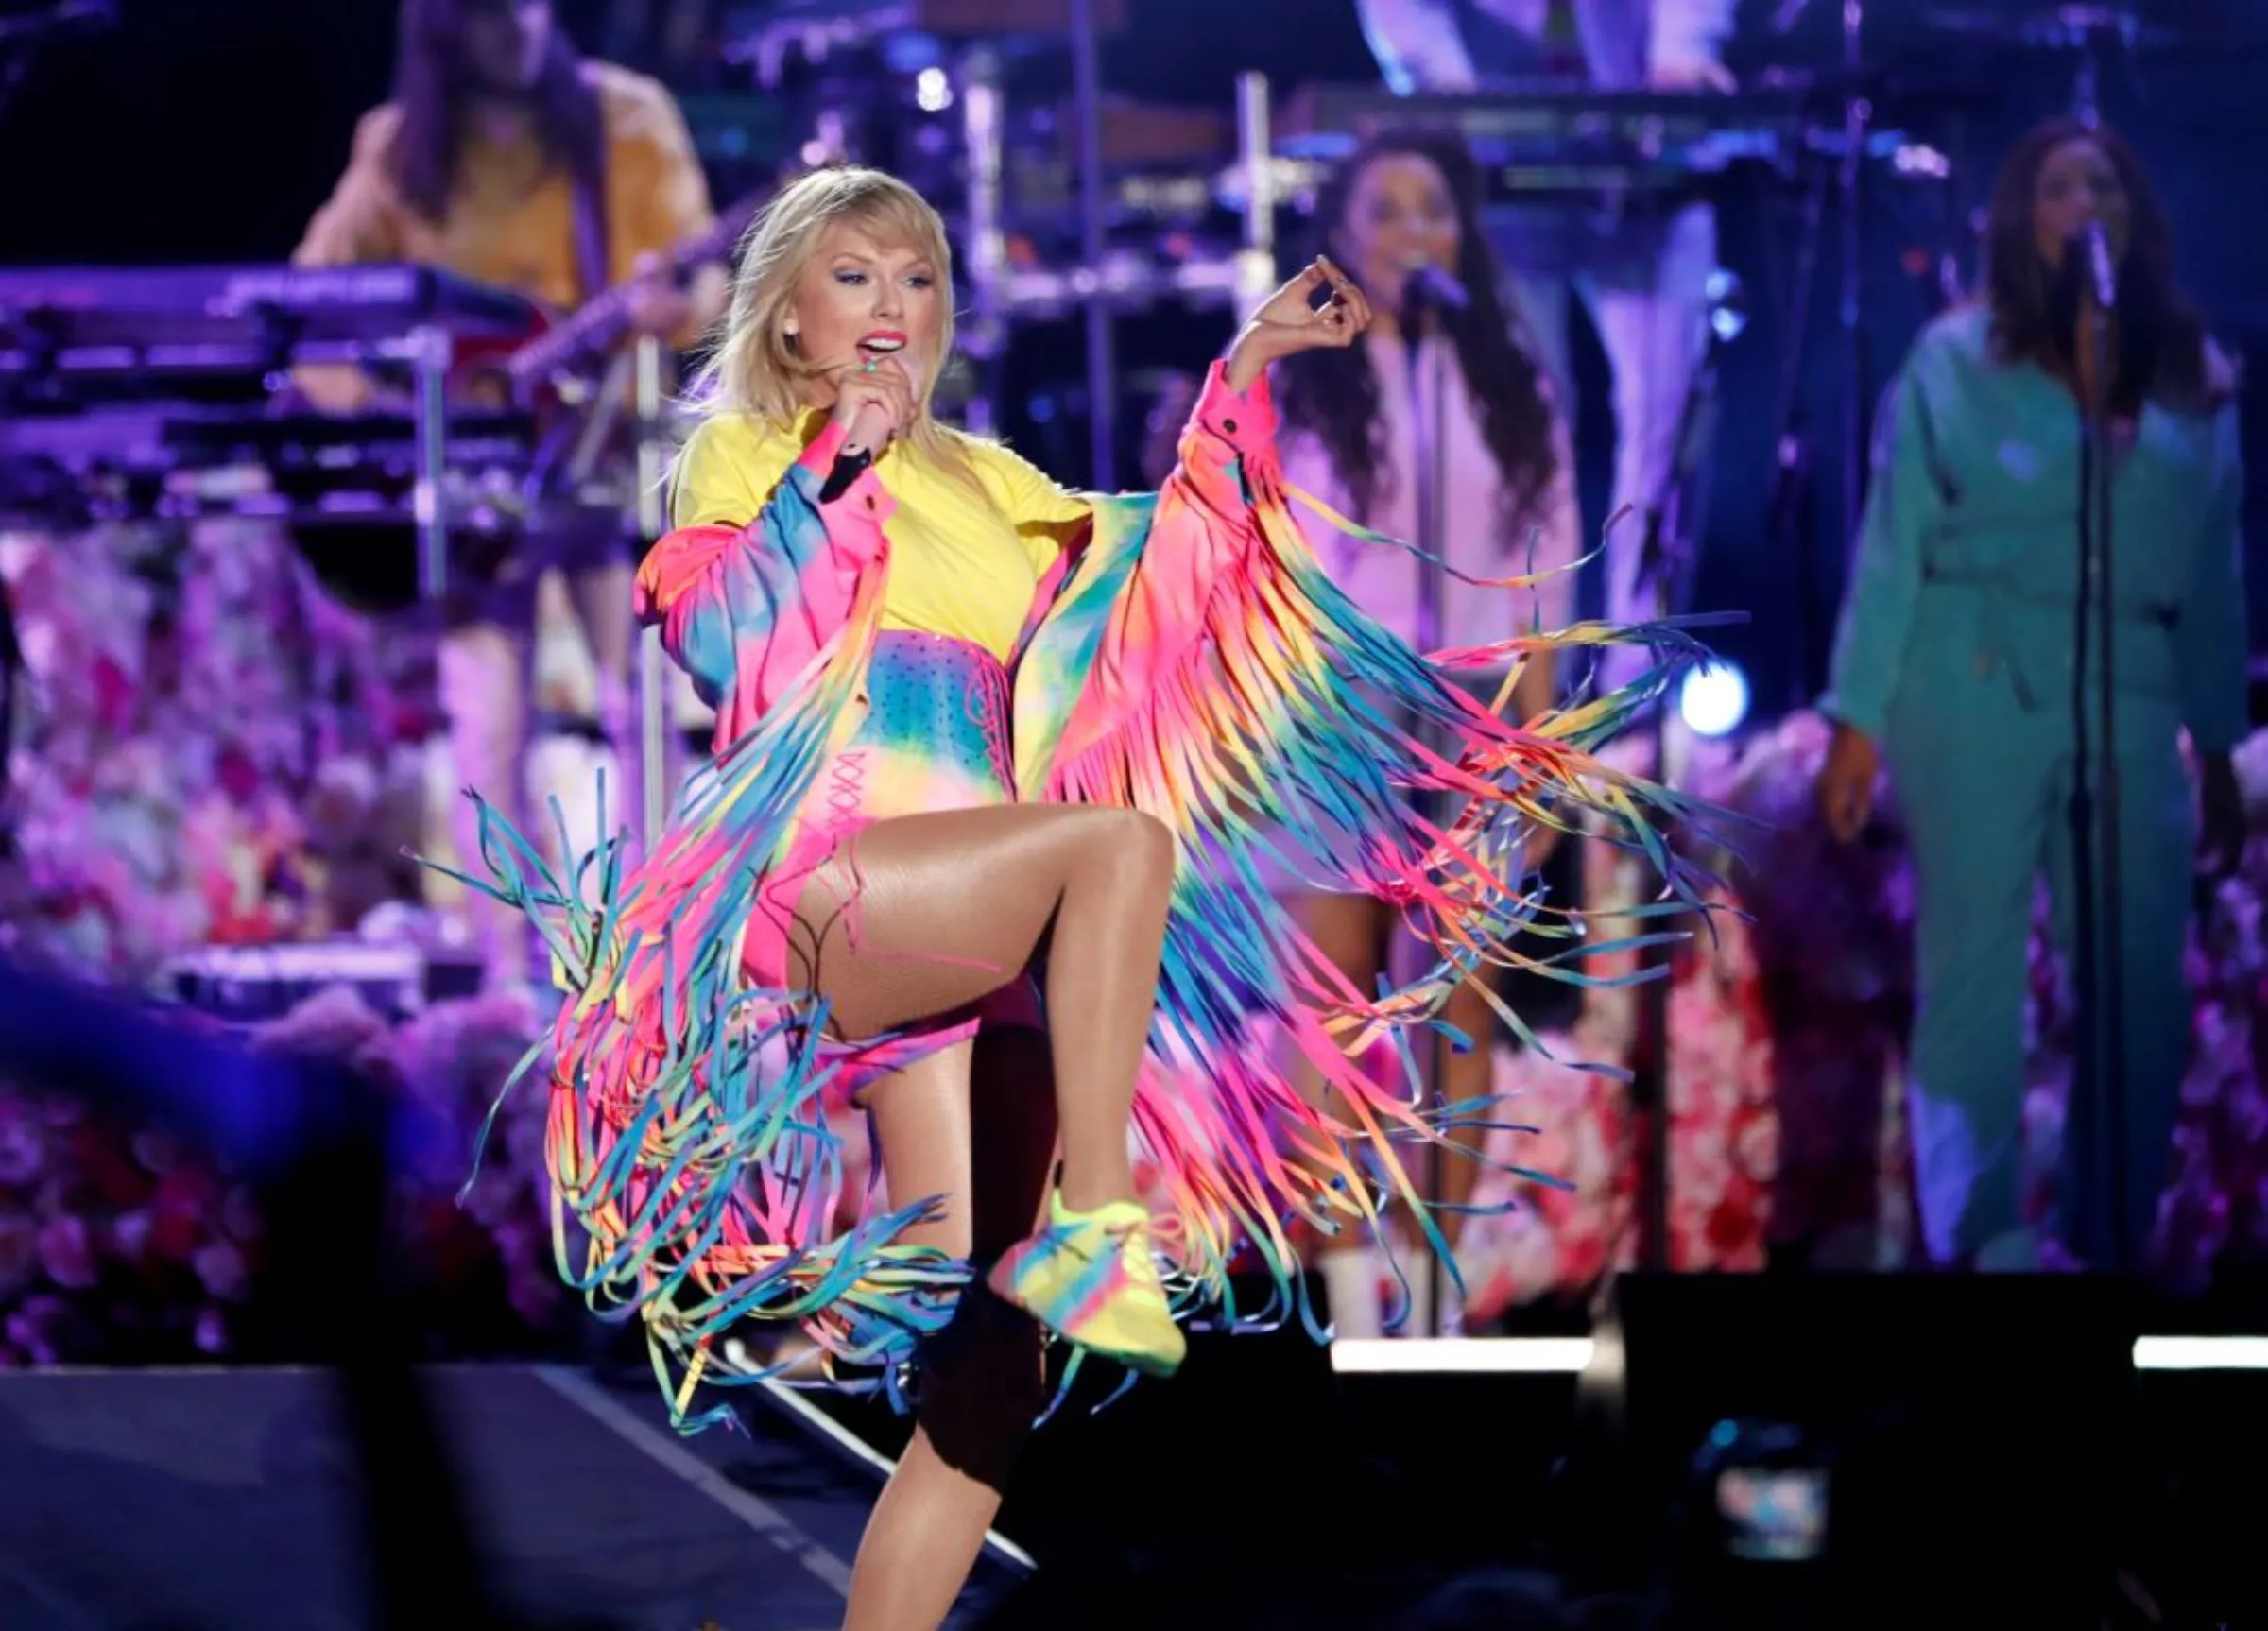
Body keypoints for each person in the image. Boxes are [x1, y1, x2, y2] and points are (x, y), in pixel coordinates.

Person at [452, 164, 1700, 1630]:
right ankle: (1096, 1220)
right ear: (788, 319)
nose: (891, 310)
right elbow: (728, 645)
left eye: (918, 282)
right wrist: (826, 477)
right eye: (854, 278)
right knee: (1114, 853)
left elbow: (1161, 591)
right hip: (837, 889)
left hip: (981, 936)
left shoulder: (992, 482)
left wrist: (1242, 375)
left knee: (984, 1367)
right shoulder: (743, 456)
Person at [1814, 117, 2247, 1273]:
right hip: (1973, 678)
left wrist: (2217, 743)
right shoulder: (1956, 360)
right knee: (1975, 969)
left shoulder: (2191, 377)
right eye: (2058, 187)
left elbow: (2217, 569)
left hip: (2137, 693)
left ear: (2137, 216)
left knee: (2143, 984)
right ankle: (1983, 1247)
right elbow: (1894, 538)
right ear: (2020, 221)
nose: (2084, 204)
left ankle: (2108, 1246)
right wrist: (1857, 720)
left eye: (2104, 183)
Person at [293, 0, 730, 992]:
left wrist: (680, 305)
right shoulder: (401, 148)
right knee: (488, 725)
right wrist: (388, 398)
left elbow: (698, 273)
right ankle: (513, 989)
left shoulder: (628, 118)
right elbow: (315, 301)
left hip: (604, 460)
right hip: (475, 485)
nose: (519, 23)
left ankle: (655, 976)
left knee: (643, 711)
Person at [1272, 128, 1583, 1337]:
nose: (1414, 231)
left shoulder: (1507, 376)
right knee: (1338, 1000)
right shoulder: (1302, 375)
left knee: (1461, 996)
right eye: (1386, 209)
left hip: (1484, 707)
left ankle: (1441, 1295)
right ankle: (1349, 1291)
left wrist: (1542, 740)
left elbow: (1546, 565)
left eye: (1434, 210)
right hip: (1344, 703)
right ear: (1342, 235)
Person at [1352, 0, 1736, 688]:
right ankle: (1519, 690)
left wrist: (1684, 48)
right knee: (1520, 433)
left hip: (1647, 151)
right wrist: (1445, 86)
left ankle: (1635, 694)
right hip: (1501, 160)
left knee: (1664, 431)